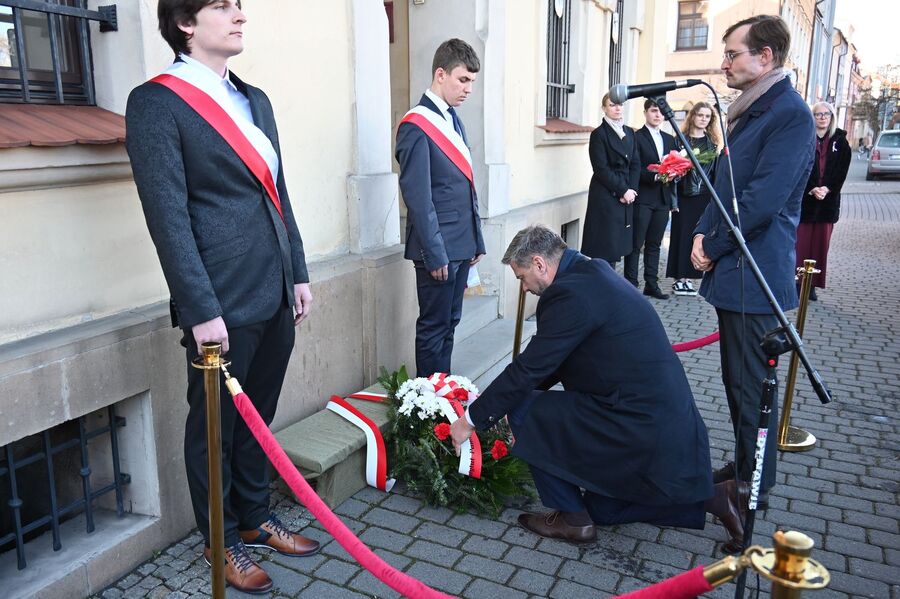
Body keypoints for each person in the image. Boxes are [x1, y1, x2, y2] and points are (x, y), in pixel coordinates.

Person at [126, 1, 319, 593]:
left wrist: (298, 271)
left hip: (274, 287)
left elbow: (278, 192)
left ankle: (256, 516)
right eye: (221, 6)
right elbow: (168, 217)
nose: (239, 15)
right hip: (220, 300)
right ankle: (221, 538)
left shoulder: (254, 99)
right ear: (185, 22)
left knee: (258, 418)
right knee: (215, 431)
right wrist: (200, 308)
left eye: (239, 6)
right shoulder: (156, 103)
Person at [450, 226, 746, 550]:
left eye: (522, 278)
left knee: (524, 410)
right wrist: (497, 402)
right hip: (654, 419)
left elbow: (529, 369)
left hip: (638, 424)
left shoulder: (570, 294)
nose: (524, 288)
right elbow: (550, 365)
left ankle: (572, 520)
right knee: (604, 510)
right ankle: (717, 498)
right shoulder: (590, 273)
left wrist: (471, 420)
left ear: (539, 264)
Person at [690, 15, 815, 517]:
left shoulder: (790, 115)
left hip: (755, 277)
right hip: (736, 271)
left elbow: (761, 201)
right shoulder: (753, 110)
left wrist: (714, 246)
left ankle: (751, 490)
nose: (724, 64)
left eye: (732, 53)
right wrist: (700, 232)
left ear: (765, 57)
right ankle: (745, 469)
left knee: (751, 393)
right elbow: (723, 183)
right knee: (738, 388)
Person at [395, 38, 486, 378]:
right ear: (440, 74)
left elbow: (464, 186)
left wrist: (476, 240)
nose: (468, 89)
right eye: (463, 80)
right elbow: (418, 197)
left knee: (450, 324)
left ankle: (444, 392)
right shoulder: (416, 125)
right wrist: (435, 254)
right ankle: (428, 401)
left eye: (472, 81)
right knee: (434, 329)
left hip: (461, 244)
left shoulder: (453, 119)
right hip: (438, 250)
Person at [796, 101, 851, 301]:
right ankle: (798, 282)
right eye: (818, 114)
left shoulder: (841, 142)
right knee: (800, 245)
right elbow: (799, 166)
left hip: (827, 203)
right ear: (813, 117)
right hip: (806, 201)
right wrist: (811, 188)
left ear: (832, 116)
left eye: (826, 114)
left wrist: (827, 188)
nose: (822, 117)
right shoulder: (803, 138)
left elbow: (841, 171)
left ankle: (811, 285)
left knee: (820, 247)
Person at [625, 99, 678, 298]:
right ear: (645, 112)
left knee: (655, 244)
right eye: (654, 111)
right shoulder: (636, 137)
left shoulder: (669, 138)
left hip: (663, 199)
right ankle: (630, 285)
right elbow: (634, 168)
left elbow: (676, 164)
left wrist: (675, 173)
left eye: (661, 112)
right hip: (643, 197)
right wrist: (655, 176)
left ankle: (651, 284)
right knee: (635, 243)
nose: (658, 115)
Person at [581, 93, 640, 266]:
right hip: (606, 195)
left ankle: (614, 280)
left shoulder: (629, 132)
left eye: (619, 105)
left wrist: (632, 190)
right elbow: (601, 169)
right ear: (604, 108)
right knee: (606, 248)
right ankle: (603, 281)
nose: (617, 108)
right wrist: (623, 190)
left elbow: (635, 163)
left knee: (619, 246)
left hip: (626, 194)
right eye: (612, 105)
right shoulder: (599, 134)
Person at [667, 102, 720, 296]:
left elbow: (714, 175)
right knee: (680, 235)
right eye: (700, 115)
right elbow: (670, 172)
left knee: (696, 236)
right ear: (693, 116)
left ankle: (689, 278)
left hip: (703, 197)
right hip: (683, 195)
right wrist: (673, 201)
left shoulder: (712, 145)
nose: (703, 119)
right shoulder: (679, 141)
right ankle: (679, 278)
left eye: (707, 116)